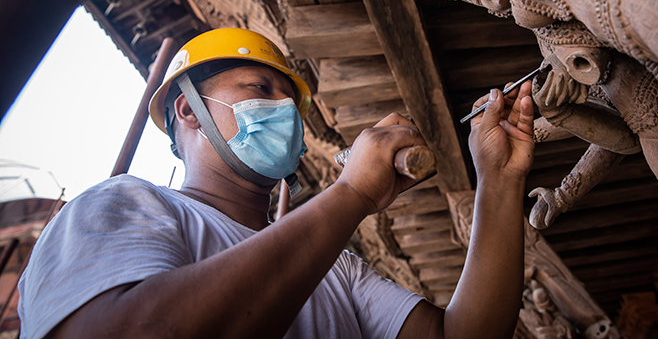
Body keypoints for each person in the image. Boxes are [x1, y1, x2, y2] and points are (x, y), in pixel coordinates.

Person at [18, 27, 536, 339]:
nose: (285, 110)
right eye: (260, 88)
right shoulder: (122, 204)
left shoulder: (335, 267)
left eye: (290, 100)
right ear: (188, 110)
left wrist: (498, 180)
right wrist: (351, 194)